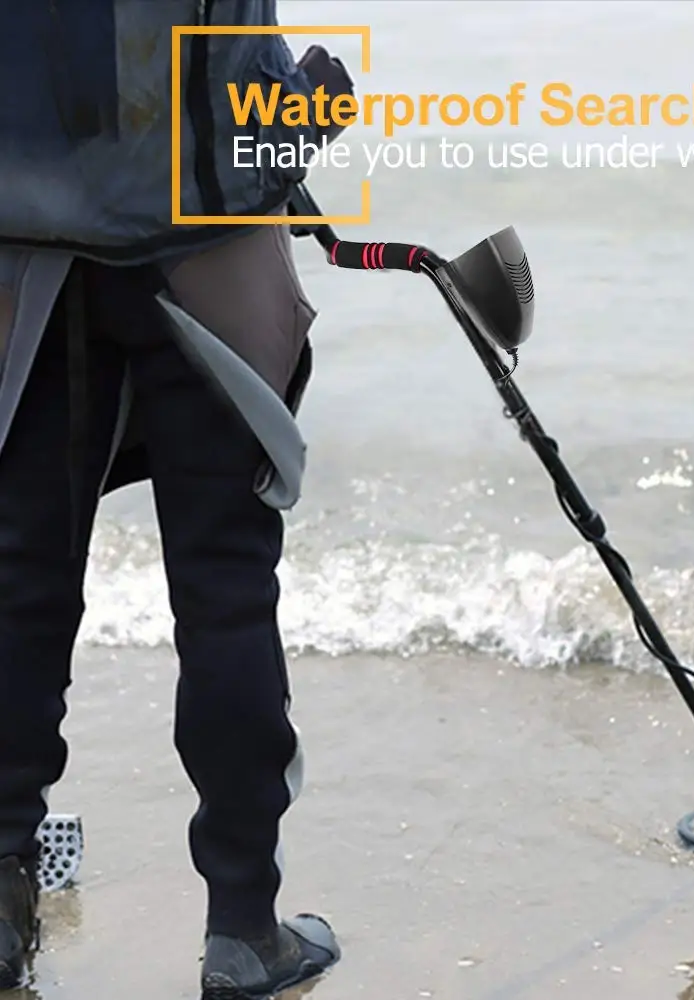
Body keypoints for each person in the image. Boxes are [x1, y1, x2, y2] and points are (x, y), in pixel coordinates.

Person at [0, 3, 350, 997]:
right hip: (203, 246)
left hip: (23, 249)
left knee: (19, 586)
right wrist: (302, 111)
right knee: (225, 591)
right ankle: (242, 929)